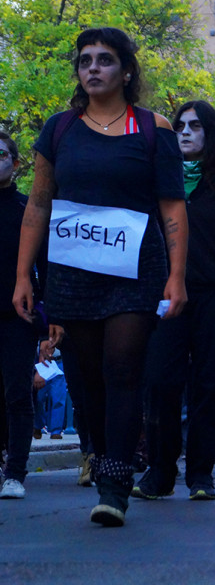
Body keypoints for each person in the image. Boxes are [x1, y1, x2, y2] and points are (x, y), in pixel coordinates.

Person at [14, 27, 188, 525]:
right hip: (72, 271)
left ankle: (114, 485)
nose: (93, 68)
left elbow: (173, 207)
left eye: (105, 60)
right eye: (85, 60)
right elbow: (39, 204)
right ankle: (103, 454)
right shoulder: (60, 129)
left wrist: (177, 275)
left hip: (135, 270)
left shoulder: (152, 128)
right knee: (88, 378)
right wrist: (24, 275)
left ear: (126, 71)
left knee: (123, 367)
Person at [134, 100, 215, 502]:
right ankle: (160, 470)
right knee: (159, 381)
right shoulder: (159, 180)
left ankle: (201, 473)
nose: (185, 132)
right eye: (179, 126)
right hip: (164, 297)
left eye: (195, 126)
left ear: (211, 133)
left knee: (208, 384)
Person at [0, 131, 46, 500]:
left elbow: (43, 264)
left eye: (1, 154)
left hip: (16, 316)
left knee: (17, 394)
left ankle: (14, 473)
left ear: (15, 164)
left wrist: (47, 313)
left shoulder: (25, 209)